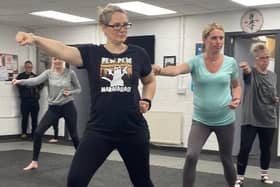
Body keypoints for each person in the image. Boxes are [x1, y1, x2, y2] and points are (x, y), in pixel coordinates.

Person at [15, 4, 156, 187]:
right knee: (75, 180)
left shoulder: (138, 53)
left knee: (142, 181)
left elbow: (150, 81)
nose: (122, 30)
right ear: (104, 27)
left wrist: (146, 100)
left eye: (126, 25)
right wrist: (34, 38)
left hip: (133, 129)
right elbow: (62, 50)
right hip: (99, 130)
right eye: (117, 25)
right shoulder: (92, 53)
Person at [153, 23, 241, 187]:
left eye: (221, 38)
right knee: (191, 156)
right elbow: (176, 70)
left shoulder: (231, 62)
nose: (218, 41)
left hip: (225, 120)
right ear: (205, 40)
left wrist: (236, 98)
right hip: (201, 120)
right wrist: (159, 70)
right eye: (214, 38)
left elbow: (236, 85)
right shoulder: (196, 62)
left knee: (226, 159)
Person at [12, 57, 81, 170]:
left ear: (64, 60)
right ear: (52, 61)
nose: (57, 61)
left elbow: (79, 89)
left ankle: (81, 159)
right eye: (55, 59)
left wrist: (70, 92)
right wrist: (19, 81)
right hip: (53, 108)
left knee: (74, 135)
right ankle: (34, 162)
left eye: (59, 59)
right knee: (38, 132)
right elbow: (34, 80)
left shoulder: (70, 73)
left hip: (68, 106)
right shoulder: (48, 73)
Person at [235, 43, 278, 186]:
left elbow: (272, 95)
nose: (265, 61)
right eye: (262, 58)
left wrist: (275, 99)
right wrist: (245, 68)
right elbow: (247, 75)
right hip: (251, 119)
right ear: (256, 59)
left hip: (269, 118)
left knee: (266, 149)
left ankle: (264, 175)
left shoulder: (273, 76)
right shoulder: (251, 72)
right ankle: (240, 177)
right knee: (245, 148)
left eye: (267, 58)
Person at [16, 60, 43, 139]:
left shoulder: (35, 76)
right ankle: (24, 132)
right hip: (25, 101)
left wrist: (34, 82)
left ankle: (34, 133)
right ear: (25, 67)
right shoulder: (20, 76)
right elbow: (19, 86)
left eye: (31, 67)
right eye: (28, 67)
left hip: (34, 100)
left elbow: (40, 86)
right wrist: (28, 80)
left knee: (34, 118)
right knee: (25, 117)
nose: (30, 69)